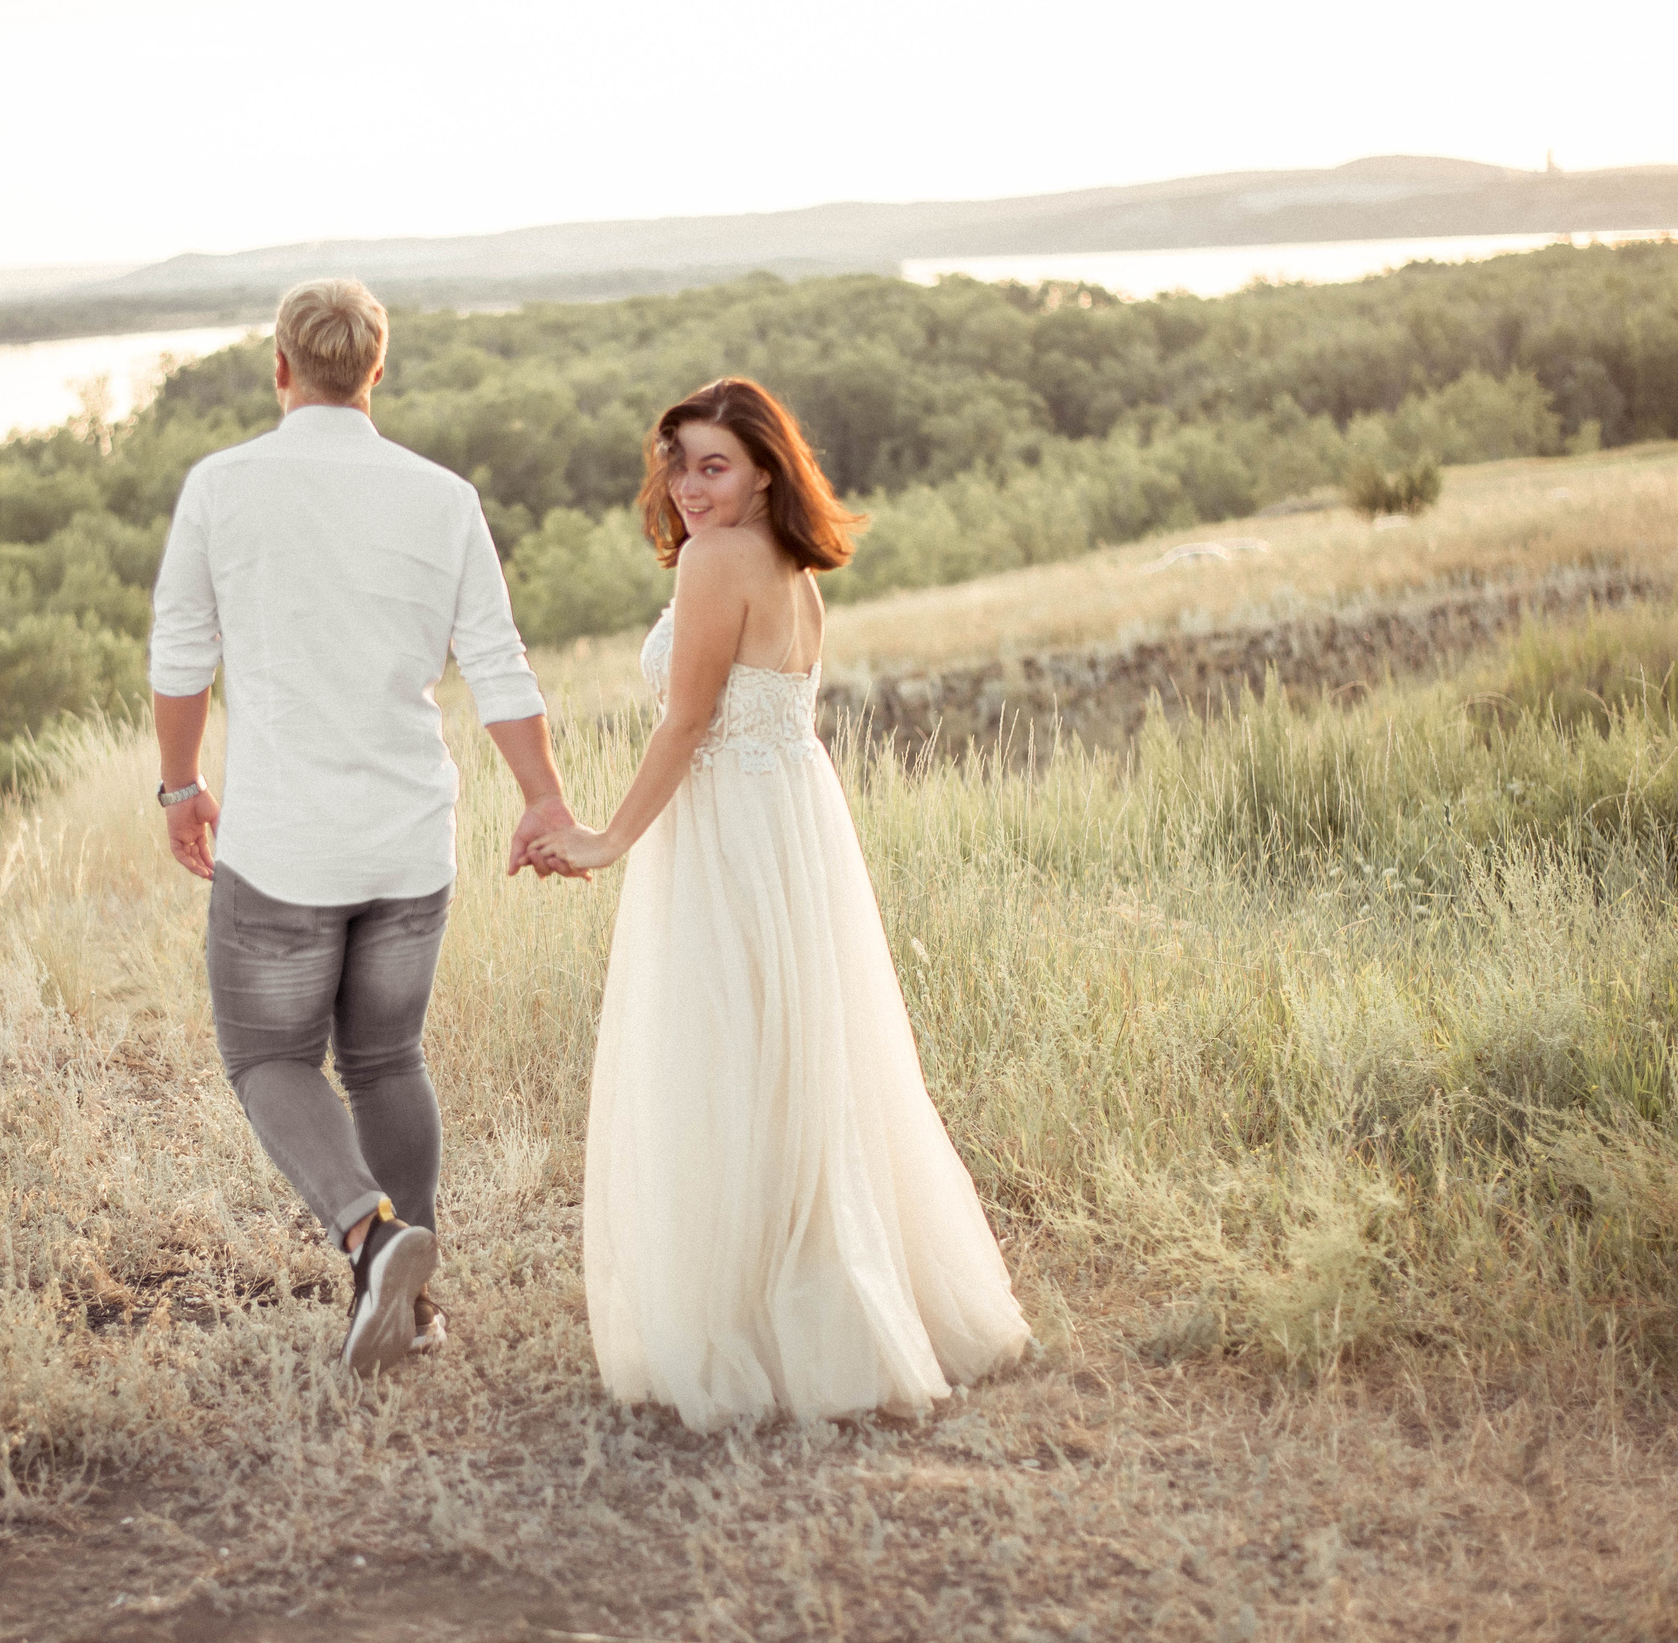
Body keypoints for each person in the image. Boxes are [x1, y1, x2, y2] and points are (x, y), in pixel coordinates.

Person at [530, 378, 1029, 1429]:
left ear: (764, 465)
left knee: (723, 1055)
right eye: (675, 462)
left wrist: (608, 839)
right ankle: (819, 1300)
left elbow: (685, 725)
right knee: (795, 1058)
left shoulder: (716, 561)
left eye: (712, 463)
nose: (687, 484)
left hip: (729, 827)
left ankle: (771, 1323)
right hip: (790, 818)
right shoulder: (792, 565)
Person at [148, 278, 581, 1375]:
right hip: (406, 836)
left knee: (265, 1054)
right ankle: (417, 1306)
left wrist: (178, 783)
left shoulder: (222, 484)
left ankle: (372, 1232)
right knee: (386, 1055)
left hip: (286, 842)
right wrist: (541, 794)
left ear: (280, 368)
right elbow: (496, 661)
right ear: (376, 370)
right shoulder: (442, 496)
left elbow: (180, 652)